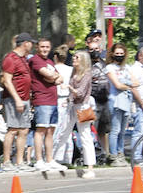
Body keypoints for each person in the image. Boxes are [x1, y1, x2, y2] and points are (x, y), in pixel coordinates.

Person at [0, 33, 36, 171]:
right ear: (25, 43)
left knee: (24, 130)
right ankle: (7, 161)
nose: (32, 45)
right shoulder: (11, 58)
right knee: (13, 130)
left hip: (25, 98)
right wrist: (17, 99)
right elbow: (7, 81)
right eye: (31, 43)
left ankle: (20, 162)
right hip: (14, 99)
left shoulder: (23, 59)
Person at [28, 37, 64, 171]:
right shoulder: (35, 60)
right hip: (42, 99)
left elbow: (60, 78)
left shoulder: (49, 61)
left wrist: (52, 76)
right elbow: (48, 75)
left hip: (53, 99)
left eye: (47, 47)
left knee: (51, 131)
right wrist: (52, 77)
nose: (44, 49)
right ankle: (39, 160)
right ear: (37, 48)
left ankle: (50, 159)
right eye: (42, 47)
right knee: (41, 130)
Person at [65, 50, 98, 178]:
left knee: (85, 136)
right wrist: (69, 99)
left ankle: (90, 167)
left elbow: (80, 92)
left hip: (83, 107)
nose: (74, 59)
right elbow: (74, 94)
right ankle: (59, 159)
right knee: (64, 132)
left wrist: (69, 88)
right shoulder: (74, 73)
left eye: (77, 57)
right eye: (74, 57)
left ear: (83, 60)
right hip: (73, 105)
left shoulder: (87, 74)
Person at [103, 42, 136, 165]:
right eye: (117, 53)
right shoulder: (110, 68)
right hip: (115, 101)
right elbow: (117, 85)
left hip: (126, 100)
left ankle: (121, 153)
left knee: (123, 131)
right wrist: (127, 85)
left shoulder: (127, 67)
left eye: (122, 54)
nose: (119, 56)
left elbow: (135, 82)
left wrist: (126, 84)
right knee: (115, 130)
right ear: (112, 54)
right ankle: (113, 155)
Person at [51, 46, 74, 168]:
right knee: (67, 130)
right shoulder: (71, 70)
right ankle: (67, 156)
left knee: (57, 129)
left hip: (58, 99)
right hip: (68, 100)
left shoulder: (53, 69)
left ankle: (55, 156)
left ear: (55, 57)